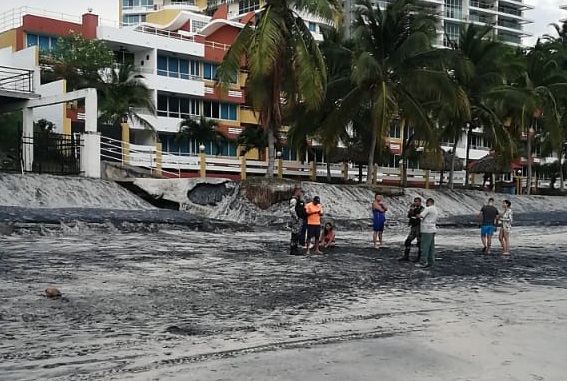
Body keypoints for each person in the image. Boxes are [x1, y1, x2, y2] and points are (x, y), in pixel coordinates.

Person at [415, 198, 438, 268]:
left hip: (426, 229)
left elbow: (420, 216)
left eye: (426, 203)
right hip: (432, 229)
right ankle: (431, 261)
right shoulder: (435, 209)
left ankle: (423, 261)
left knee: (424, 246)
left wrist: (416, 214)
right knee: (431, 247)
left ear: (429, 202)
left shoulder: (428, 209)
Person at [399, 197, 424, 262]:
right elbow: (409, 215)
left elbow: (420, 216)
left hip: (419, 226)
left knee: (420, 242)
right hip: (413, 226)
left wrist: (414, 215)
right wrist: (412, 210)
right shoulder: (413, 207)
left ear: (420, 202)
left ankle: (419, 257)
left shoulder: (422, 209)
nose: (415, 203)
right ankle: (406, 256)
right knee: (408, 241)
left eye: (417, 201)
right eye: (415, 201)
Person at [288, 186, 305, 255]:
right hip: (296, 220)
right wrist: (296, 217)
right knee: (295, 234)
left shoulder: (299, 200)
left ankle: (295, 248)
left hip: (299, 219)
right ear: (296, 191)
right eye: (300, 191)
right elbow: (292, 210)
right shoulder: (294, 200)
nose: (300, 193)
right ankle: (293, 249)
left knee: (297, 234)